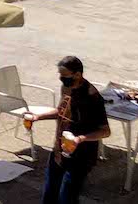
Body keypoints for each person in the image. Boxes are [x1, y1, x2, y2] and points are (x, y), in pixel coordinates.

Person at [25, 55, 111, 204]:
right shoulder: (66, 87)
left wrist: (80, 139)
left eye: (64, 75)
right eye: (60, 75)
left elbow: (105, 131)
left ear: (77, 74)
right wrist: (38, 117)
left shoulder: (92, 97)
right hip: (59, 150)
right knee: (49, 195)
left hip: (81, 156)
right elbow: (61, 111)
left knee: (67, 198)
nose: (61, 78)